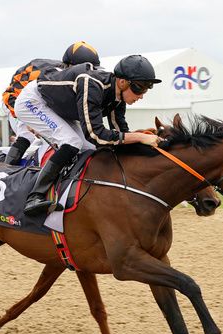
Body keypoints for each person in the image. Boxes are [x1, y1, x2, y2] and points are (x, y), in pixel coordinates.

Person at [14, 54, 163, 216]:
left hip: (58, 108)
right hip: (33, 101)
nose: (141, 95)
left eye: (146, 90)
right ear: (122, 82)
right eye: (140, 88)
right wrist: (140, 137)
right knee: (72, 142)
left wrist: (144, 142)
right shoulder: (91, 84)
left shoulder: (118, 97)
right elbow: (96, 135)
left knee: (89, 149)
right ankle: (34, 197)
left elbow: (120, 133)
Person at [1, 41, 102, 165]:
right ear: (70, 66)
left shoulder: (73, 80)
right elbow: (11, 95)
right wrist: (30, 123)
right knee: (28, 135)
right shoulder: (42, 71)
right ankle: (5, 172)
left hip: (42, 104)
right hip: (14, 100)